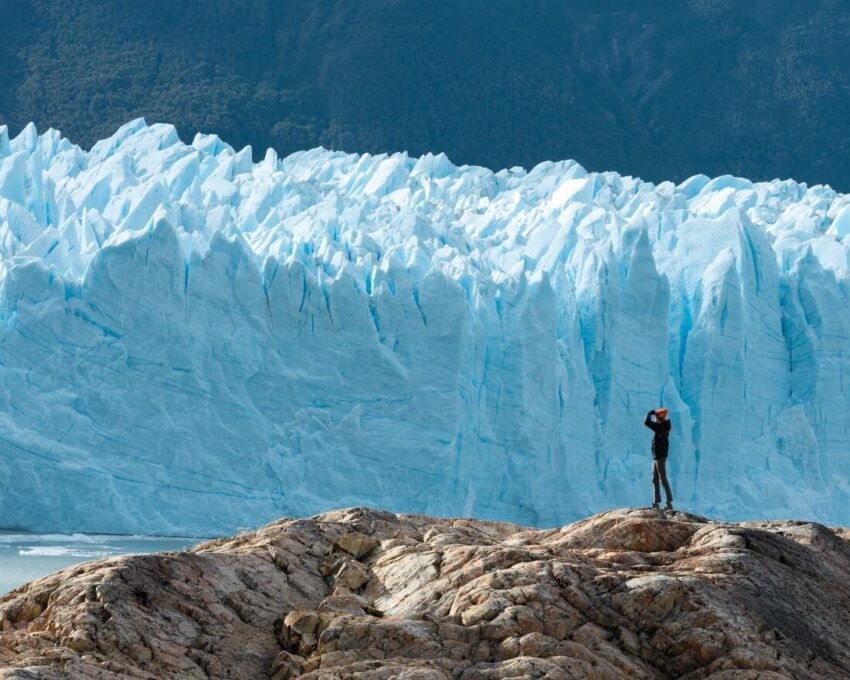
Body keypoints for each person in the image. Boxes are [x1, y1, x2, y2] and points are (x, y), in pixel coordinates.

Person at [644, 408, 673, 510]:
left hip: (660, 456)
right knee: (655, 479)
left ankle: (669, 503)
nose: (655, 418)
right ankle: (656, 503)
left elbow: (646, 422)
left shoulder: (660, 427)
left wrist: (649, 413)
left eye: (656, 416)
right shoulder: (664, 425)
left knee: (662, 479)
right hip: (657, 456)